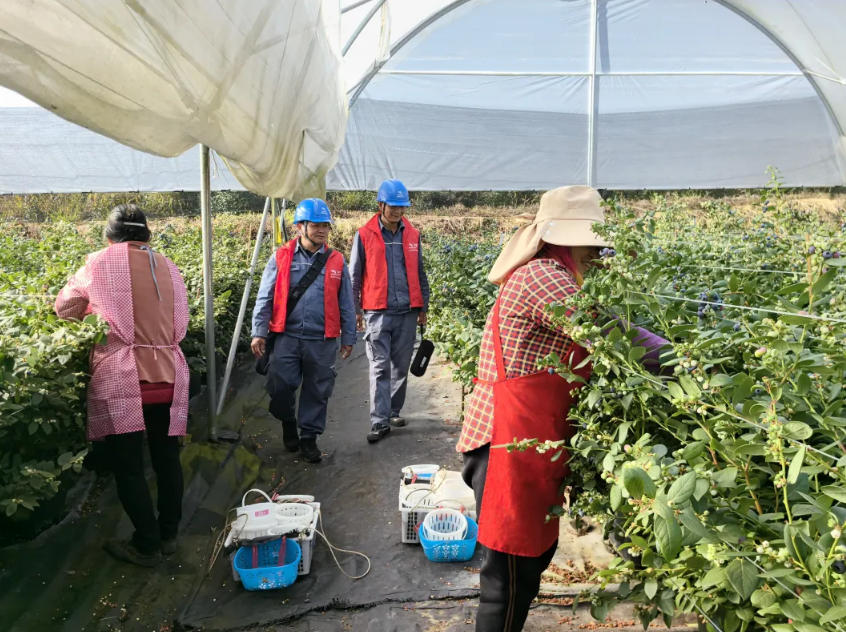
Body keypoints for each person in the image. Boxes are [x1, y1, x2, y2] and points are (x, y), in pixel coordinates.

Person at [457, 186, 668, 631]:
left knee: (528, 564)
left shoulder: (556, 273)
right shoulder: (543, 275)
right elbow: (606, 331)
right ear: (564, 239)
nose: (597, 253)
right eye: (591, 243)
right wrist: (681, 358)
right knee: (507, 579)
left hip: (526, 439)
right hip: (505, 443)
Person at [55, 204, 189, 567]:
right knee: (166, 457)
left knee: (128, 464)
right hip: (169, 374)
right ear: (147, 234)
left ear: (109, 235)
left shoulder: (98, 263)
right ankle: (169, 535)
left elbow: (64, 308)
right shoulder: (169, 266)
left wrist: (95, 311)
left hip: (123, 376)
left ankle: (146, 543)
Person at [251, 198, 356, 463]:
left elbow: (346, 301)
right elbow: (265, 296)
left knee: (318, 389)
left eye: (325, 225)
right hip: (287, 336)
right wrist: (259, 331)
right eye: (316, 225)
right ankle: (288, 421)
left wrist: (349, 337)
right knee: (280, 385)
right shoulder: (281, 256)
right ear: (300, 226)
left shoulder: (336, 260)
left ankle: (309, 438)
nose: (322, 230)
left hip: (322, 339)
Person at [349, 179, 430, 443]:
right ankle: (379, 420)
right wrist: (356, 310)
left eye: (401, 206)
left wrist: (423, 306)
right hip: (377, 312)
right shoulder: (364, 235)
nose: (397, 211)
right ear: (381, 205)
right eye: (393, 206)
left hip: (407, 311)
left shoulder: (412, 235)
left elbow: (419, 272)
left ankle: (393, 411)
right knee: (380, 366)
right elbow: (354, 275)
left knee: (400, 366)